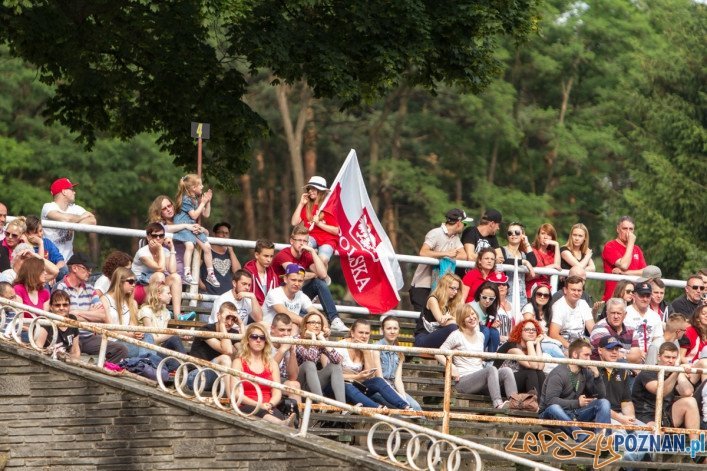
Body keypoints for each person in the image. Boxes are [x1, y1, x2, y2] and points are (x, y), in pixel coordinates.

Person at [437, 304, 518, 409]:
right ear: (462, 320)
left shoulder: (480, 336)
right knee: (490, 369)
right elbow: (438, 353)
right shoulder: (456, 335)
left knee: (506, 370)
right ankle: (498, 403)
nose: (472, 317)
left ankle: (515, 402)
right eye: (467, 316)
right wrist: (452, 367)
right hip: (463, 381)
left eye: (473, 314)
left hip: (480, 379)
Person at [51, 255, 127, 363]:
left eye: (90, 269)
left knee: (120, 349)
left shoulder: (90, 288)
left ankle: (103, 375)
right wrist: (90, 313)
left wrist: (78, 312)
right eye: (86, 269)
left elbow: (102, 315)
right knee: (74, 347)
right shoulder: (61, 287)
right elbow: (65, 315)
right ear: (74, 268)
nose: (90, 272)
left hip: (88, 336)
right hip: (69, 335)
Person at [272, 225, 347, 331]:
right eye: (299, 240)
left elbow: (323, 274)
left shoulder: (306, 255)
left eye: (305, 241)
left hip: (297, 296)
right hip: (281, 300)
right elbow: (296, 274)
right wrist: (312, 274)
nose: (302, 244)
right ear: (291, 241)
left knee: (319, 282)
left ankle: (334, 320)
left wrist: (312, 251)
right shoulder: (284, 255)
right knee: (314, 279)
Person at [539, 339, 611, 439]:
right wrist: (577, 403)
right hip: (550, 415)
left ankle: (603, 438)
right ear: (574, 354)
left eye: (589, 355)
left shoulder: (585, 371)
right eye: (586, 355)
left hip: (573, 413)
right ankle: (583, 437)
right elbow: (550, 401)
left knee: (604, 402)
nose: (589, 359)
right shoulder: (559, 373)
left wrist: (597, 376)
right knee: (554, 408)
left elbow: (601, 396)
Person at [631, 342, 700, 441]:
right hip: (645, 416)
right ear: (659, 357)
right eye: (667, 357)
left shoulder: (673, 373)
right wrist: (676, 372)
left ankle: (695, 447)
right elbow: (660, 391)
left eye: (673, 358)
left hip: (665, 415)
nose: (671, 361)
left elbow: (687, 392)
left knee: (690, 401)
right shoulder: (648, 371)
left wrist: (679, 372)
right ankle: (649, 456)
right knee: (658, 432)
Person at [336, 319, 411, 409]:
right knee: (347, 386)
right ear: (352, 333)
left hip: (359, 386)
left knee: (378, 381)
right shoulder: (340, 347)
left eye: (367, 333)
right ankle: (378, 408)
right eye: (361, 332)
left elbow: (370, 376)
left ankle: (405, 406)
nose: (364, 336)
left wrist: (366, 352)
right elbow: (334, 376)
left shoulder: (368, 348)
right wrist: (357, 377)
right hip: (340, 387)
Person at [596, 337, 649, 463]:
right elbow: (596, 405)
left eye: (616, 349)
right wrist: (622, 419)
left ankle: (633, 466)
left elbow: (626, 401)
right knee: (622, 436)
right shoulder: (593, 371)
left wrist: (630, 418)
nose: (614, 352)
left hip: (620, 416)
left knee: (648, 433)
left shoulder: (621, 370)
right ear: (600, 350)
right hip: (602, 417)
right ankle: (629, 467)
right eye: (610, 349)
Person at [409, 209, 469, 313]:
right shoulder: (435, 233)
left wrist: (445, 255)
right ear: (459, 223)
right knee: (421, 321)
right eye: (465, 223)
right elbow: (423, 252)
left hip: (439, 287)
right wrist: (446, 254)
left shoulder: (455, 237)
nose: (465, 226)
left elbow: (463, 256)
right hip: (423, 285)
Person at [230, 323, 292, 425]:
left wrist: (270, 404)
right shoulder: (238, 362)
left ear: (265, 341)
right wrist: (259, 405)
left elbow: (277, 392)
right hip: (246, 405)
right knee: (266, 415)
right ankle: (282, 424)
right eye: (254, 337)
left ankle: (283, 424)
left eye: (262, 338)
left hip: (268, 406)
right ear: (247, 340)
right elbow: (236, 393)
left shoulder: (272, 364)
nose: (258, 340)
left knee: (277, 415)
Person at [99, 267, 162, 363]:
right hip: (113, 342)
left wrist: (136, 333)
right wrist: (131, 334)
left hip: (128, 339)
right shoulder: (105, 299)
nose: (134, 285)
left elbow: (133, 326)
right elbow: (110, 329)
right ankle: (147, 365)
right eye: (131, 281)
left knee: (147, 336)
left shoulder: (132, 303)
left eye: (135, 282)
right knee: (148, 350)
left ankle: (143, 365)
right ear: (119, 282)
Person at [172, 174, 219, 287]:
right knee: (190, 246)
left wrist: (207, 202)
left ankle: (210, 274)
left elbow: (206, 214)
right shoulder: (186, 199)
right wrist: (202, 203)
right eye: (200, 185)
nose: (202, 186)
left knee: (207, 247)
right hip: (183, 226)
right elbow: (193, 216)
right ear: (193, 187)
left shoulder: (195, 199)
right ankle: (187, 272)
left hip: (192, 227)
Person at [131, 223, 185, 319]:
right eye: (155, 236)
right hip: (139, 289)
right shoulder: (142, 252)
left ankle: (178, 316)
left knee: (176, 277)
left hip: (156, 289)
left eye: (161, 235)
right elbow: (161, 268)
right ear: (148, 237)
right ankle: (158, 312)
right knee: (160, 275)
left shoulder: (165, 251)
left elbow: (172, 270)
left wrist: (172, 248)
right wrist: (160, 249)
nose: (158, 238)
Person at [295, 311, 346, 405]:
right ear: (305, 325)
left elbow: (338, 360)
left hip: (312, 385)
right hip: (297, 384)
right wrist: (313, 337)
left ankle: (342, 406)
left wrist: (322, 339)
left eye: (319, 323)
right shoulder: (297, 339)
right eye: (312, 322)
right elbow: (310, 358)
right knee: (309, 365)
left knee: (335, 366)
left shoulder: (320, 341)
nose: (316, 325)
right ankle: (321, 403)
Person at [187, 302, 241, 391]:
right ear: (218, 316)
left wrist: (241, 325)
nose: (230, 322)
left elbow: (244, 353)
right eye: (227, 317)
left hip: (217, 378)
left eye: (233, 319)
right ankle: (231, 396)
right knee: (225, 358)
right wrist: (222, 324)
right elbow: (227, 351)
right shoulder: (206, 329)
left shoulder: (233, 332)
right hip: (196, 376)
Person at [372, 316, 422, 411]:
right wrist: (397, 397)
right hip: (380, 389)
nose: (392, 331)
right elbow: (380, 378)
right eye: (389, 328)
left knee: (415, 407)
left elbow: (398, 380)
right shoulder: (376, 348)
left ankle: (421, 425)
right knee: (399, 408)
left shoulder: (399, 351)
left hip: (394, 387)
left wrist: (403, 396)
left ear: (399, 330)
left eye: (395, 328)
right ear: (382, 330)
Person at [41, 178, 97, 261]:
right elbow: (65, 219)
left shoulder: (74, 208)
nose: (74, 192)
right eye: (71, 189)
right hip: (49, 261)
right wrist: (81, 218)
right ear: (64, 192)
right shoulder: (48, 207)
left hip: (68, 263)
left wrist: (73, 225)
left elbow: (92, 221)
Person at [290, 176, 339, 267]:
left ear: (321, 191)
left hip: (328, 240)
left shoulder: (330, 206)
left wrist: (319, 224)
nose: (309, 191)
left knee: (323, 259)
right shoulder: (307, 205)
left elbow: (336, 231)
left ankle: (318, 277)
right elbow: (294, 222)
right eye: (309, 188)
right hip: (311, 237)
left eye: (313, 189)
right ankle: (316, 276)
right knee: (300, 249)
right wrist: (301, 204)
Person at [263, 264, 326, 328]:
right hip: (269, 334)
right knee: (295, 327)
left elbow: (315, 312)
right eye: (293, 280)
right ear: (285, 279)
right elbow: (285, 314)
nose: (297, 284)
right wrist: (309, 324)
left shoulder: (301, 295)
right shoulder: (275, 293)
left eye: (300, 281)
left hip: (288, 333)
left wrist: (325, 326)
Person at [493, 319, 545, 394]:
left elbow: (540, 367)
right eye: (527, 329)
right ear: (520, 332)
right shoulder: (512, 346)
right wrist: (530, 343)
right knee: (531, 373)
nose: (531, 331)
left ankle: (540, 403)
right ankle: (535, 403)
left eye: (534, 330)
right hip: (501, 384)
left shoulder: (532, 348)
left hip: (519, 382)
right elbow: (533, 365)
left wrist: (538, 343)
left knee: (540, 373)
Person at [601, 216, 646, 301]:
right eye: (625, 229)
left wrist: (625, 273)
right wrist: (631, 242)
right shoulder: (610, 246)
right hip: (614, 300)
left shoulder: (637, 249)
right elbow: (624, 265)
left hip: (633, 300)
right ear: (618, 229)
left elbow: (645, 272)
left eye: (631, 229)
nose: (628, 232)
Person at [413, 273, 463, 349]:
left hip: (440, 340)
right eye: (453, 288)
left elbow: (458, 321)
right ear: (444, 287)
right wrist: (456, 321)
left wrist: (453, 319)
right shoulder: (433, 299)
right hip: (423, 338)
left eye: (457, 289)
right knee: (453, 328)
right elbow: (442, 322)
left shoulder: (452, 303)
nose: (456, 292)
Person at [137, 282, 186, 354]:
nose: (171, 296)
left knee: (175, 339)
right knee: (175, 337)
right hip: (149, 350)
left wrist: (179, 334)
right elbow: (153, 340)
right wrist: (174, 333)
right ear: (159, 295)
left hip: (161, 348)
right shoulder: (146, 311)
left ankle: (186, 364)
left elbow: (163, 335)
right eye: (168, 293)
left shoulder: (166, 312)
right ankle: (187, 364)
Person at [548, 275, 595, 350]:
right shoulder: (559, 306)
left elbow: (593, 330)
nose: (576, 293)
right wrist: (572, 348)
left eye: (579, 290)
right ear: (565, 290)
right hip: (563, 345)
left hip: (581, 342)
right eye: (573, 290)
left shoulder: (583, 304)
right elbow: (553, 334)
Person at [589, 298, 642, 363]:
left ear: (625, 315)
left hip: (627, 370)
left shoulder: (632, 329)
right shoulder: (599, 328)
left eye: (619, 313)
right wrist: (628, 355)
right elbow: (610, 356)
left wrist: (623, 356)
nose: (616, 316)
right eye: (613, 313)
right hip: (602, 370)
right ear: (607, 314)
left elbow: (637, 357)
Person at [34, 290, 81, 360]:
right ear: (51, 307)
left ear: (69, 306)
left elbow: (75, 350)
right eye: (57, 305)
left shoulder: (72, 319)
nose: (61, 308)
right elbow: (38, 349)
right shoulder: (46, 322)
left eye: (65, 305)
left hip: (67, 361)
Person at [501, 222, 536, 309]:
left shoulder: (523, 254)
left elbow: (533, 262)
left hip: (521, 298)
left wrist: (527, 244)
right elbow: (505, 261)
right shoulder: (502, 250)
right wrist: (524, 262)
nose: (513, 235)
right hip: (505, 296)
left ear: (522, 235)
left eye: (517, 232)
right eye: (510, 233)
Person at [199, 222, 240, 296]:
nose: (224, 235)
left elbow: (237, 272)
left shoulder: (230, 253)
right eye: (221, 232)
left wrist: (231, 251)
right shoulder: (206, 251)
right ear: (214, 234)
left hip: (227, 296)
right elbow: (194, 268)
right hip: (208, 295)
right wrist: (202, 285)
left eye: (227, 233)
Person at [624, 282, 664, 355]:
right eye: (641, 296)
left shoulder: (655, 316)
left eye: (648, 296)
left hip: (650, 356)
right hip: (630, 354)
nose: (645, 299)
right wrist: (637, 352)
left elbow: (657, 340)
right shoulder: (625, 313)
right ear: (634, 296)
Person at [270, 313, 301, 402]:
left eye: (289, 330)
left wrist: (292, 352)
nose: (286, 334)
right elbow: (267, 372)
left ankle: (298, 416)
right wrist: (282, 350)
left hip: (277, 381)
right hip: (261, 381)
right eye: (282, 330)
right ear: (272, 329)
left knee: (294, 384)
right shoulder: (262, 341)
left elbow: (293, 377)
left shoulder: (286, 344)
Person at [524, 223, 561, 298]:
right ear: (538, 236)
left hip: (547, 292)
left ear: (552, 238)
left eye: (549, 235)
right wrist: (552, 266)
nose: (545, 237)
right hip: (532, 291)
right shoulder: (531, 250)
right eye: (543, 233)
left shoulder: (552, 254)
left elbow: (558, 266)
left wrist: (556, 245)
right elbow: (530, 276)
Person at [25, 215, 66, 280]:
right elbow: (38, 267)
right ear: (27, 234)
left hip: (50, 277)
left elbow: (61, 262)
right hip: (34, 278)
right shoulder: (25, 246)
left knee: (64, 270)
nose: (40, 234)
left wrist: (52, 274)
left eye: (41, 231)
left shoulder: (47, 243)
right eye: (35, 232)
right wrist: (40, 243)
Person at [243, 239, 279, 305]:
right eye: (266, 256)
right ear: (257, 255)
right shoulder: (246, 273)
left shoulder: (273, 275)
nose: (269, 260)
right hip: (250, 311)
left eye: (271, 256)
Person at [470, 281, 502, 352]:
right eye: (484, 297)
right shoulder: (471, 307)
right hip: (469, 337)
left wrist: (492, 325)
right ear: (479, 295)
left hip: (482, 337)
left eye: (491, 299)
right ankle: (478, 356)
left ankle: (491, 358)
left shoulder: (493, 308)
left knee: (494, 332)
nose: (487, 301)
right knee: (486, 330)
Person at [488, 271, 515, 343]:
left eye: (504, 284)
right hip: (495, 342)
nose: (501, 286)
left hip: (512, 341)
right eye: (497, 284)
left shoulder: (513, 305)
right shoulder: (488, 304)